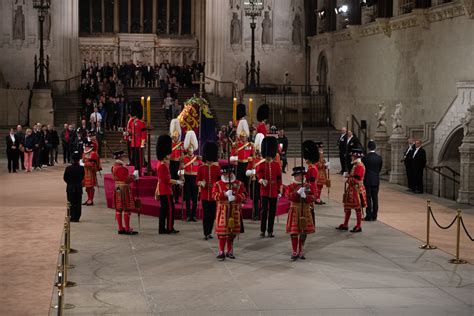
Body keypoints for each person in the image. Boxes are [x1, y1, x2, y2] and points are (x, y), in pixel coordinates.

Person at [212, 164, 246, 260]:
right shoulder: (218, 184)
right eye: (226, 174)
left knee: (231, 233)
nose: (228, 175)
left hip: (234, 210)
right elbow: (214, 196)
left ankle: (230, 251)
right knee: (222, 232)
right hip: (222, 210)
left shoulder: (239, 183)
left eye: (229, 173)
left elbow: (244, 194)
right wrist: (224, 194)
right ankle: (221, 251)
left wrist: (236, 197)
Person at [285, 166, 316, 261]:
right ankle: (294, 251)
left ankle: (301, 250)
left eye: (302, 175)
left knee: (303, 232)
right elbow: (289, 197)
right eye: (298, 175)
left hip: (305, 210)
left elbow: (313, 197)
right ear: (295, 176)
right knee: (294, 232)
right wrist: (297, 193)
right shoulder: (290, 186)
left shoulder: (308, 186)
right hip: (295, 209)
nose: (300, 177)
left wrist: (305, 196)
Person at [155, 134, 182, 234]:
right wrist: (177, 181)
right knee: (170, 209)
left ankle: (162, 229)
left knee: (164, 210)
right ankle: (169, 228)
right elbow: (167, 180)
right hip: (165, 190)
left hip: (164, 189)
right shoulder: (162, 165)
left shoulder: (162, 163)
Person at [256, 136, 282, 238]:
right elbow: (258, 174)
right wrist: (261, 180)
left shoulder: (276, 164)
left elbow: (279, 178)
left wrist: (279, 190)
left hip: (274, 190)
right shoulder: (262, 164)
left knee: (272, 211)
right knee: (264, 210)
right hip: (264, 190)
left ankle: (270, 230)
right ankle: (263, 230)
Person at [336, 148, 367, 233]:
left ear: (356, 156)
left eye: (352, 156)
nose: (351, 157)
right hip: (351, 189)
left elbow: (356, 179)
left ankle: (358, 225)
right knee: (347, 207)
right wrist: (349, 176)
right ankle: (345, 224)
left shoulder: (359, 166)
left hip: (356, 190)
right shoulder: (356, 165)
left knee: (357, 208)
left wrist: (348, 178)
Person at [197, 142, 221, 240]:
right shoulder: (201, 168)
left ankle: (209, 232)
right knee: (206, 214)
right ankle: (206, 232)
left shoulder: (217, 168)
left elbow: (219, 181)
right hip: (204, 194)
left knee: (212, 215)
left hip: (213, 195)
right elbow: (197, 180)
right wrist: (201, 183)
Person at [112, 151, 139, 235]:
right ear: (120, 158)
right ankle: (127, 228)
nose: (124, 158)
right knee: (126, 208)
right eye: (123, 157)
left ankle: (120, 228)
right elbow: (126, 179)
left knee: (119, 208)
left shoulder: (114, 166)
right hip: (124, 188)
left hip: (117, 187)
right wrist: (134, 176)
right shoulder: (121, 168)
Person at [180, 131, 201, 222]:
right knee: (188, 198)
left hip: (195, 179)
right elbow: (181, 169)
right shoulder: (183, 158)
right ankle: (188, 215)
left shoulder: (198, 158)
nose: (190, 149)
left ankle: (194, 215)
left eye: (192, 148)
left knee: (195, 198)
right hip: (187, 178)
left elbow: (200, 170)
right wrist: (181, 177)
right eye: (189, 148)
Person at [231, 105, 253, 189]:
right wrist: (234, 159)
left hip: (247, 164)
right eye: (242, 136)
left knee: (246, 179)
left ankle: (246, 192)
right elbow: (232, 155)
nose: (243, 138)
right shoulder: (236, 145)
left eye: (245, 137)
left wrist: (251, 161)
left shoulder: (249, 145)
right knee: (239, 179)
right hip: (239, 164)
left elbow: (252, 154)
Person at [362, 140, 382, 221]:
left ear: (368, 148)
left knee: (368, 198)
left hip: (367, 179)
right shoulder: (379, 157)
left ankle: (368, 215)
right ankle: (375, 216)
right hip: (376, 179)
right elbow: (379, 168)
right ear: (375, 147)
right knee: (375, 198)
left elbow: (363, 169)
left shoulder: (365, 158)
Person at [125, 101, 147, 175]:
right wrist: (128, 134)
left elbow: (144, 134)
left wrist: (142, 144)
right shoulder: (133, 122)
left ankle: (139, 171)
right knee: (135, 159)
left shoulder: (141, 123)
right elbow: (131, 132)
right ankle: (136, 170)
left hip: (139, 143)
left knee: (139, 159)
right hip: (133, 143)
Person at [246, 133, 265, 221]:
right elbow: (247, 172)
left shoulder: (265, 160)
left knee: (263, 198)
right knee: (255, 198)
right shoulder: (252, 159)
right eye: (258, 151)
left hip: (263, 180)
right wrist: (252, 172)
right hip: (254, 180)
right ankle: (256, 214)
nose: (258, 153)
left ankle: (262, 213)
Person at [63, 151, 85, 222]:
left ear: (72, 159)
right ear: (79, 160)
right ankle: (77, 217)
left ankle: (71, 216)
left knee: (70, 202)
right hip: (78, 187)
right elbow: (82, 177)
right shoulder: (81, 168)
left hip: (70, 187)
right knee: (78, 202)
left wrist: (69, 183)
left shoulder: (68, 168)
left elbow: (65, 178)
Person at [304, 140, 319, 225]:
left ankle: (312, 223)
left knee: (310, 207)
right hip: (310, 189)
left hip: (311, 190)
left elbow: (311, 182)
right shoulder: (311, 167)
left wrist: (307, 188)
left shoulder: (312, 168)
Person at [169, 119, 183, 203]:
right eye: (174, 136)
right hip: (171, 163)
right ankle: (171, 196)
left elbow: (183, 156)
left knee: (177, 182)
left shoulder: (181, 144)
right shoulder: (169, 143)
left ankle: (177, 198)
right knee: (171, 181)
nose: (175, 137)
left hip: (178, 164)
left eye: (177, 136)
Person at [82, 140, 99, 206]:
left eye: (87, 147)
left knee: (90, 187)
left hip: (90, 172)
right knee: (87, 187)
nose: (86, 148)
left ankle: (91, 199)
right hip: (85, 171)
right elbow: (83, 160)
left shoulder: (93, 154)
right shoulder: (84, 153)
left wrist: (85, 164)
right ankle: (88, 198)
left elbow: (93, 164)